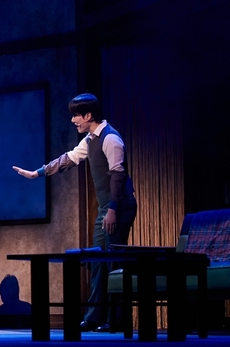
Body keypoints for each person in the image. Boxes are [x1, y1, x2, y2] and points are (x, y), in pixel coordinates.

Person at [12, 93, 137, 333]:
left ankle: (117, 319)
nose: (73, 120)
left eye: (76, 115)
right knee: (98, 261)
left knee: (114, 262)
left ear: (88, 115)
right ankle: (94, 316)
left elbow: (118, 176)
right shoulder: (90, 139)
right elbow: (68, 159)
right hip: (106, 208)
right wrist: (37, 173)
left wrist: (112, 209)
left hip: (118, 207)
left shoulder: (110, 138)